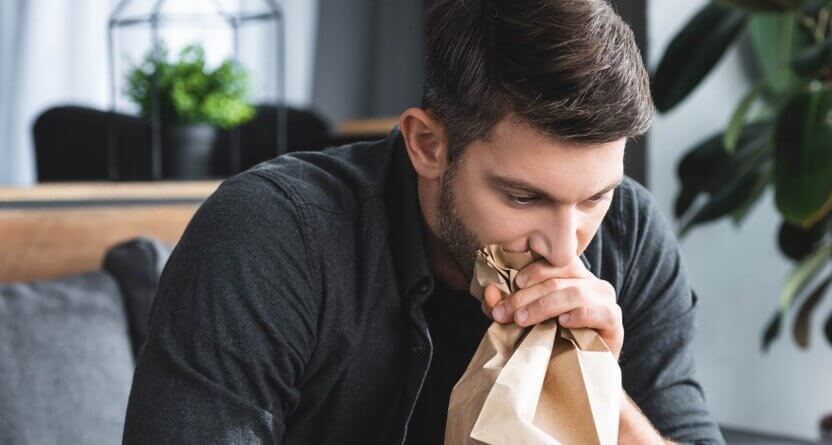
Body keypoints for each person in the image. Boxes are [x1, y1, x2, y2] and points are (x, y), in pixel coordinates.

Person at [122, 0, 724, 443]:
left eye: (595, 198)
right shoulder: (271, 237)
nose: (566, 248)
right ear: (428, 145)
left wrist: (597, 388)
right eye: (522, 197)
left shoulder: (632, 237)